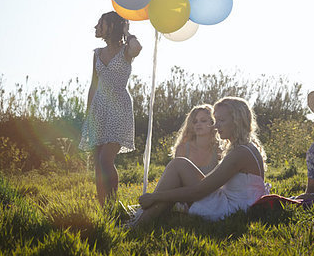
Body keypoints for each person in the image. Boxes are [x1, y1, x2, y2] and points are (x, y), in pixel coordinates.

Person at [128, 97, 271, 227]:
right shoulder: (246, 147)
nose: (216, 126)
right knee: (179, 164)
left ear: (237, 121)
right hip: (233, 205)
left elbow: (198, 192)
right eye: (216, 121)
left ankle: (138, 224)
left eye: (221, 120)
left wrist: (155, 197)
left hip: (228, 210)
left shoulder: (241, 152)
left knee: (178, 165)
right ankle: (142, 219)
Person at [79, 11, 142, 206]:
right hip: (98, 108)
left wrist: (127, 32)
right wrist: (89, 114)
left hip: (119, 107)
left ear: (112, 27)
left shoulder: (126, 51)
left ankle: (113, 205)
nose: (97, 27)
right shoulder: (97, 53)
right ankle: (103, 209)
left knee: (106, 160)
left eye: (102, 23)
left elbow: (137, 48)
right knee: (98, 163)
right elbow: (93, 85)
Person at [171, 104, 223, 174]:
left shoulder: (219, 149)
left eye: (203, 121)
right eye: (195, 122)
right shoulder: (182, 149)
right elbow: (176, 177)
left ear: (213, 122)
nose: (198, 124)